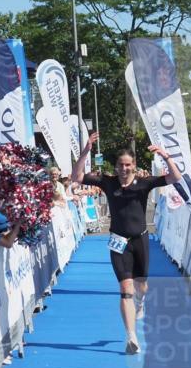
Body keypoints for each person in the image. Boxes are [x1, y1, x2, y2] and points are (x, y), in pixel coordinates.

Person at [71, 143, 182, 354]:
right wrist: (85, 152)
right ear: (115, 167)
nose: (124, 169)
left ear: (134, 165)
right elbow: (76, 177)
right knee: (125, 289)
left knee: (142, 286)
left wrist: (166, 157)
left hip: (140, 241)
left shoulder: (144, 183)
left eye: (128, 165)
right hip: (118, 242)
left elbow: (175, 178)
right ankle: (131, 337)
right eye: (121, 165)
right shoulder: (107, 182)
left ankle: (141, 304)